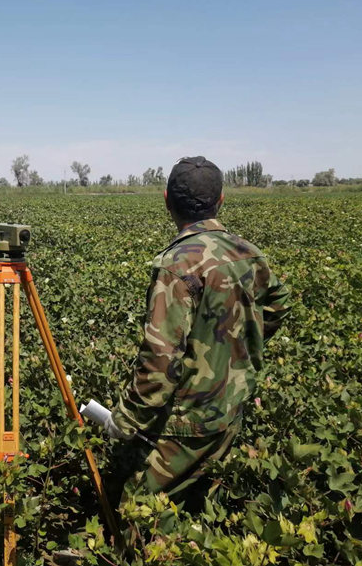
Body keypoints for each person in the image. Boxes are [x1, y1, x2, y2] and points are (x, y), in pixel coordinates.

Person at [105, 156, 291, 516]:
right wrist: (237, 349)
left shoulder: (176, 265)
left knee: (138, 511)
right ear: (221, 200)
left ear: (166, 200)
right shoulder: (248, 253)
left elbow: (160, 359)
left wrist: (125, 419)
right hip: (231, 408)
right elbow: (278, 305)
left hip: (189, 420)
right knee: (199, 503)